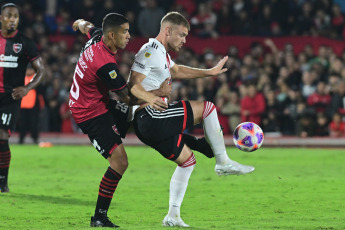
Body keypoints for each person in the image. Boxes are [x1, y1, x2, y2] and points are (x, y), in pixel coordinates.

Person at [69, 14, 213, 228]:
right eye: (124, 32)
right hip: (89, 112)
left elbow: (86, 26)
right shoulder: (105, 65)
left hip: (98, 101)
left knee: (140, 121)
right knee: (120, 162)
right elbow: (130, 98)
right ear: (111, 35)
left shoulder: (97, 35)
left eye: (128, 30)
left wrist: (77, 23)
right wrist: (158, 92)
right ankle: (99, 218)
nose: (129, 36)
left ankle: (194, 143)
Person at [128, 12, 255, 227]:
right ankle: (223, 162)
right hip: (150, 116)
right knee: (208, 108)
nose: (185, 40)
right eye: (182, 35)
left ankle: (172, 216)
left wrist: (210, 72)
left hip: (151, 121)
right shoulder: (150, 51)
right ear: (168, 31)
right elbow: (132, 85)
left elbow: (177, 71)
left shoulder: (163, 54)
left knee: (187, 162)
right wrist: (153, 96)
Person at [0, 3, 45, 193]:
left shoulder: (25, 43)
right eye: (9, 16)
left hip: (10, 98)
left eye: (16, 16)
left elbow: (41, 71)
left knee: (2, 137)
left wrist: (26, 89)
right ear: (1, 18)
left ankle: (3, 182)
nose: (13, 19)